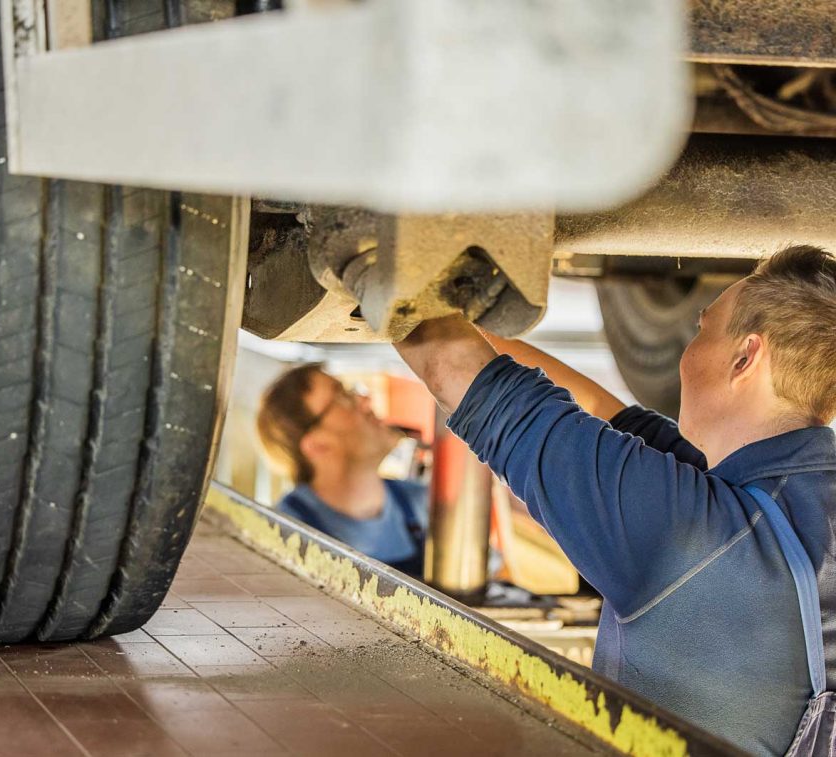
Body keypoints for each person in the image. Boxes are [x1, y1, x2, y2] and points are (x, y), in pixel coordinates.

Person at [390, 245, 836, 756]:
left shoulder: (688, 535)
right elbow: (605, 418)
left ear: (745, 357)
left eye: (702, 330)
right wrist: (471, 319)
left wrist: (384, 260)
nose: (688, 353)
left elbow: (451, 371)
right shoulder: (781, 496)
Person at [256, 364, 429, 577]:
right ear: (317, 445)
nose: (366, 400)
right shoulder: (286, 534)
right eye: (343, 397)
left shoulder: (425, 504)